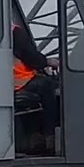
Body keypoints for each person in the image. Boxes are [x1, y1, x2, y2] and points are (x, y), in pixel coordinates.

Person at [11, 21, 59, 151]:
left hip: (4, 83)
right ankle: (49, 136)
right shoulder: (15, 33)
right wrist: (48, 61)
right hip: (18, 82)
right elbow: (31, 58)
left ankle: (34, 136)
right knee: (48, 86)